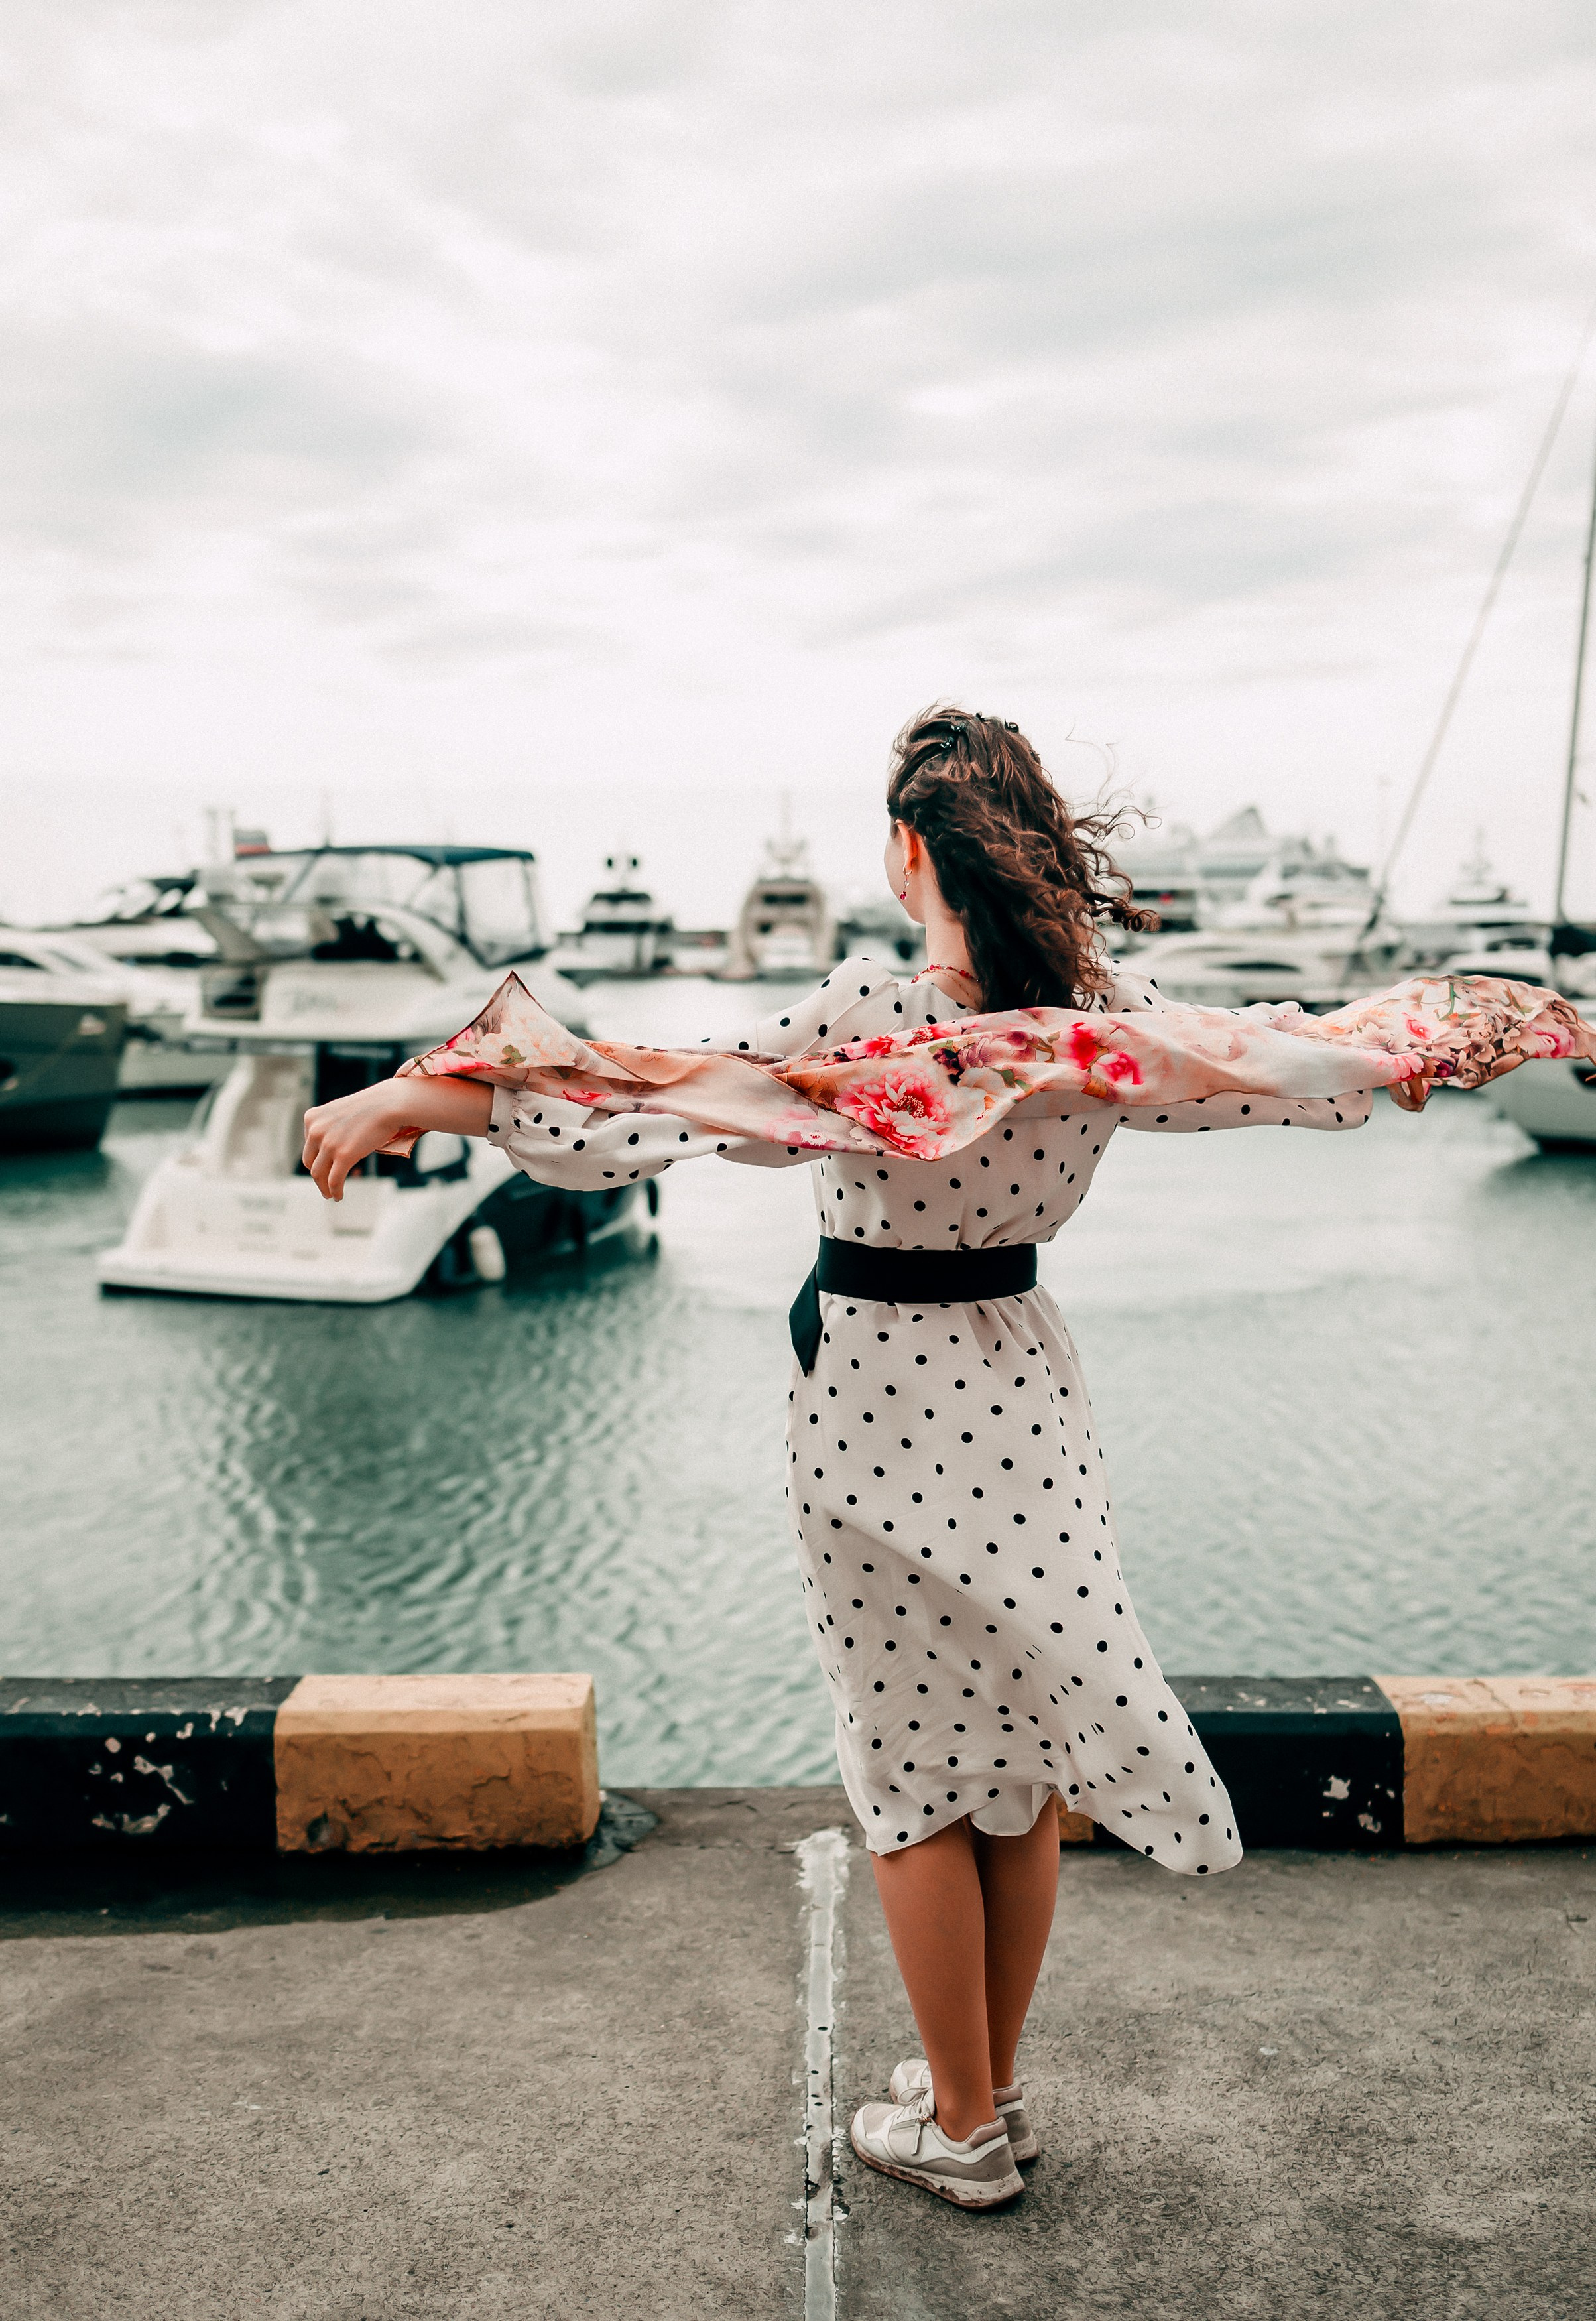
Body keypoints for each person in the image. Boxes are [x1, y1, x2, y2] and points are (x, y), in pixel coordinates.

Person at [301, 707, 1376, 2211]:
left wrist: (417, 1089)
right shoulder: (1095, 1017)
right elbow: (1290, 1060)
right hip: (1022, 1382)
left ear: (911, 849)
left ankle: (959, 2129)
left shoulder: (879, 1012)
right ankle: (982, 2087)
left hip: (877, 1392)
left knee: (912, 1771)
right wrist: (1453, 1032)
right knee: (1015, 1764)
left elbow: (649, 1097)